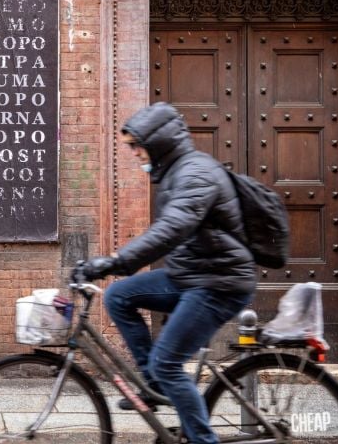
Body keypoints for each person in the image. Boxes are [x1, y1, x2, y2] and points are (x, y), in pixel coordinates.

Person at [73, 102, 256, 444]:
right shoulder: (175, 172)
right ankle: (153, 385)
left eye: (136, 145)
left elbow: (171, 229)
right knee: (119, 295)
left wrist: (113, 261)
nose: (134, 153)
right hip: (192, 274)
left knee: (167, 362)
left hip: (220, 282)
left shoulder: (195, 174)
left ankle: (200, 436)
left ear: (158, 143)